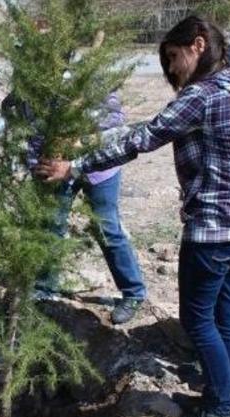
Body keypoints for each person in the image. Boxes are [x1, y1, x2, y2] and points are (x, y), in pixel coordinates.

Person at [35, 16, 230, 417]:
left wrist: (76, 166)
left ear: (199, 45)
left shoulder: (204, 95)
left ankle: (224, 407)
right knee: (228, 311)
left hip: (214, 229)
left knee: (197, 318)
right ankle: (220, 391)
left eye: (173, 57)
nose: (171, 69)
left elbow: (143, 138)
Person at [31, 91, 148, 325]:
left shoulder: (98, 82)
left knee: (106, 227)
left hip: (100, 166)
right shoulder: (39, 84)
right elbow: (31, 130)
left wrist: (79, 143)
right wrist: (36, 164)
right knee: (52, 225)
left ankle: (133, 293)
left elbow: (115, 129)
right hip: (55, 168)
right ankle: (44, 289)